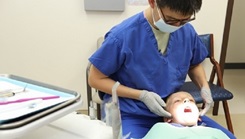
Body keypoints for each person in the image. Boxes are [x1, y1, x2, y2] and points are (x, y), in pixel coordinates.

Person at [88, 0, 236, 138]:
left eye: (184, 21)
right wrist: (141, 95)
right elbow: (95, 79)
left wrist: (204, 87)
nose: (177, 26)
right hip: (132, 113)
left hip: (172, 112)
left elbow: (194, 63)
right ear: (153, 2)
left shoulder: (187, 31)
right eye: (171, 20)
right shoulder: (122, 36)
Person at [142, 91, 230, 139]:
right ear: (167, 118)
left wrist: (204, 86)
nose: (186, 101)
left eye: (191, 101)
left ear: (199, 117)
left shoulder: (215, 132)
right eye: (177, 101)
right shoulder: (161, 129)